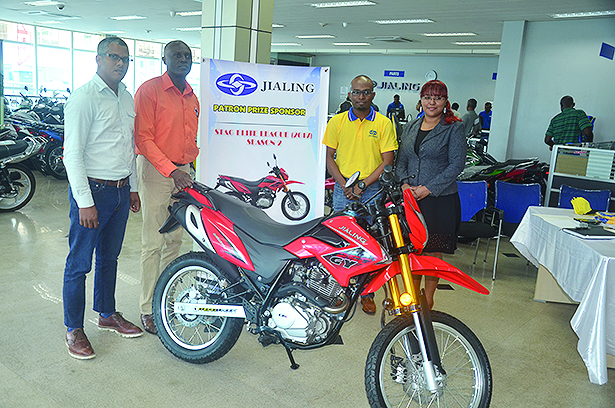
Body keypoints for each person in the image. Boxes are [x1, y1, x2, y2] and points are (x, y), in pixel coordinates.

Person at [62, 37, 143, 360]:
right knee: (79, 263)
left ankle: (107, 313)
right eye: (113, 57)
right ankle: (73, 328)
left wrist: (133, 187)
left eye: (125, 58)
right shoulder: (83, 98)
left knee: (109, 258)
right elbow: (72, 154)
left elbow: (129, 146)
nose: (120, 63)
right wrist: (84, 201)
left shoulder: (126, 97)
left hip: (121, 191)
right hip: (93, 192)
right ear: (98, 59)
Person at [134, 40, 200, 334]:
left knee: (175, 240)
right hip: (158, 172)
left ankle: (165, 297)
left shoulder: (192, 96)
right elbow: (143, 139)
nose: (183, 59)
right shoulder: (150, 91)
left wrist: (185, 170)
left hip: (183, 173)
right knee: (153, 242)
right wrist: (172, 170)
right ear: (165, 59)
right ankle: (147, 308)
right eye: (177, 55)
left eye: (187, 56)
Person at [322, 74, 398, 315]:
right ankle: (338, 291)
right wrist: (345, 185)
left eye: (365, 92)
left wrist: (362, 185)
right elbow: (328, 157)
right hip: (343, 191)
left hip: (372, 191)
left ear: (373, 95)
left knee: (373, 244)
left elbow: (387, 162)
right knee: (340, 244)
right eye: (356, 92)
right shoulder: (337, 122)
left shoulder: (384, 124)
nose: (361, 96)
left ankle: (368, 292)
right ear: (349, 94)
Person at [395, 80, 466, 310]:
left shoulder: (453, 128)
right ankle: (413, 295)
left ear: (445, 101)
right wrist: (405, 185)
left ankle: (429, 298)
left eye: (437, 97)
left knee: (433, 250)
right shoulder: (411, 127)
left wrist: (428, 188)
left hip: (439, 200)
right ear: (420, 100)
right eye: (427, 97)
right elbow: (402, 160)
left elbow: (456, 165)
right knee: (413, 248)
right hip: (411, 199)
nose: (431, 102)